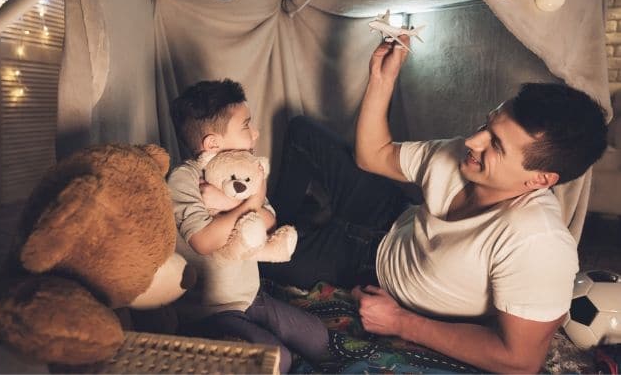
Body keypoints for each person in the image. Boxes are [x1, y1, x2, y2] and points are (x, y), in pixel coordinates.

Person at [260, 37, 608, 373]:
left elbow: (520, 361)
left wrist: (401, 322)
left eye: (496, 145)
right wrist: (383, 80)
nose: (474, 140)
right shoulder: (462, 154)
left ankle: (288, 238)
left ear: (540, 179)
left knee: (250, 264)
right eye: (487, 124)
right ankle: (277, 227)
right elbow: (374, 156)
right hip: (389, 216)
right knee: (303, 132)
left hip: (365, 268)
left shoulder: (538, 243)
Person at [167, 79, 329, 373]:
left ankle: (252, 330)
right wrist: (250, 203)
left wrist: (231, 204)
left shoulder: (247, 170)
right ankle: (205, 341)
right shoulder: (185, 179)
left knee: (319, 339)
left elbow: (269, 220)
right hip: (211, 310)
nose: (255, 133)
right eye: (246, 126)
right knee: (278, 360)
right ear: (213, 143)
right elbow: (204, 241)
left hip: (250, 297)